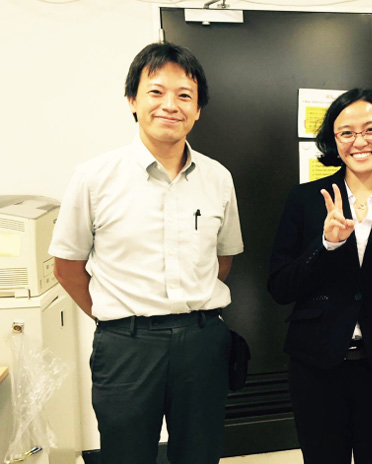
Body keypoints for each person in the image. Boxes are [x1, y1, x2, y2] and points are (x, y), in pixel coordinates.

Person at [49, 42, 244, 464]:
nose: (170, 105)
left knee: (200, 455)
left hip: (202, 342)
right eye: (156, 92)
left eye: (184, 95)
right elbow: (66, 267)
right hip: (127, 347)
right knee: (126, 456)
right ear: (133, 101)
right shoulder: (93, 178)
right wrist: (115, 315)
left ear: (198, 111)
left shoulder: (218, 178)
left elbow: (222, 260)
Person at [268, 88, 372, 464]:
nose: (360, 141)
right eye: (347, 132)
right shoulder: (304, 200)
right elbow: (279, 287)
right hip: (316, 363)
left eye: (371, 129)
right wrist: (324, 245)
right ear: (334, 141)